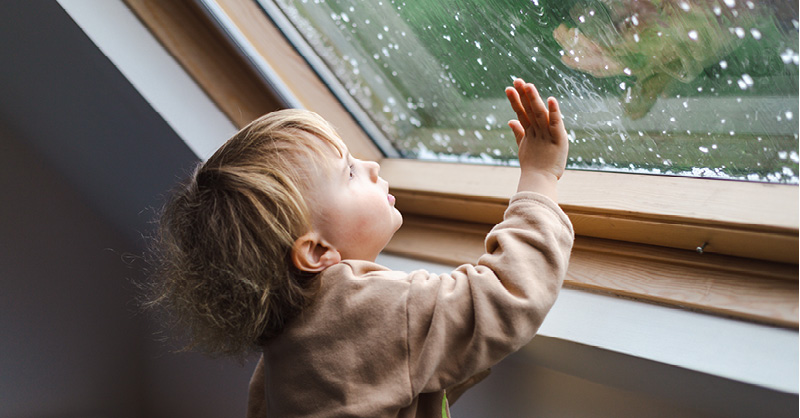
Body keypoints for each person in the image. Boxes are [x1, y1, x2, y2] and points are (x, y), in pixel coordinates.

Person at [149, 78, 574, 417]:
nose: (370, 166)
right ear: (316, 252)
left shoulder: (281, 357)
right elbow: (503, 298)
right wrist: (539, 178)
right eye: (349, 172)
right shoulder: (364, 310)